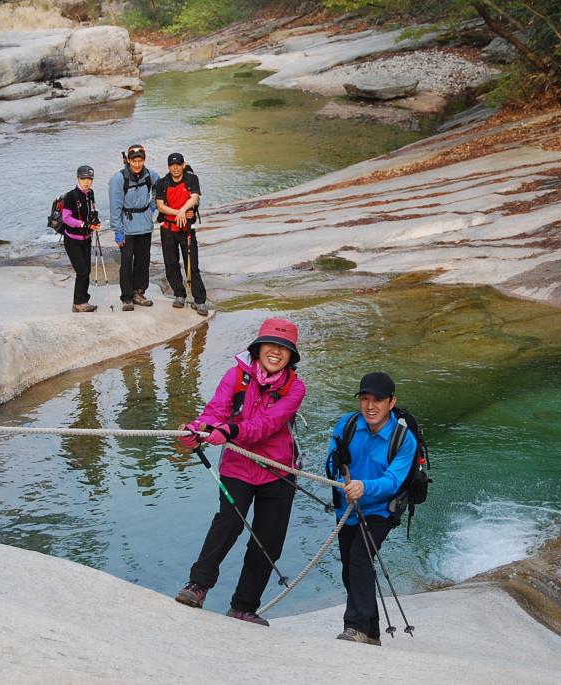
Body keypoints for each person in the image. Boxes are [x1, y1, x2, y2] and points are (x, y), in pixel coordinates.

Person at [175, 318, 306, 625]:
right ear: (258, 348)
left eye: (284, 349)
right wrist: (196, 430)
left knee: (269, 540)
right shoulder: (236, 376)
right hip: (238, 465)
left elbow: (267, 425)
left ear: (291, 356)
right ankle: (198, 586)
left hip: (278, 470)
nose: (276, 352)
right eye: (271, 345)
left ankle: (243, 607)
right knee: (228, 522)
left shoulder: (295, 388)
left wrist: (229, 431)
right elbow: (215, 412)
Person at [325, 371, 417, 646]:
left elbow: (392, 481)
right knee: (350, 569)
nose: (370, 405)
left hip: (381, 509)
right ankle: (372, 633)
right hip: (347, 509)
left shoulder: (405, 440)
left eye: (378, 399)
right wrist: (340, 476)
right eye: (365, 398)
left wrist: (364, 487)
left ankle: (353, 627)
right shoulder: (347, 424)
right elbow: (330, 463)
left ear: (391, 402)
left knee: (360, 558)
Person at [109, 144, 161, 312]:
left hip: (145, 224)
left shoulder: (149, 175)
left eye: (140, 161)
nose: (137, 164)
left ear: (144, 160)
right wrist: (118, 230)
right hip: (127, 225)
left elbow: (160, 188)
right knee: (126, 261)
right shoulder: (118, 179)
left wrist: (153, 206)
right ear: (128, 160)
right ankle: (126, 297)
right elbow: (115, 206)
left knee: (143, 260)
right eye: (134, 161)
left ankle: (139, 292)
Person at [155, 152, 207, 316]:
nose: (175, 168)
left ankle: (199, 300)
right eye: (172, 165)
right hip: (169, 230)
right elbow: (161, 206)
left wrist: (183, 211)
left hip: (187, 230)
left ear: (184, 165)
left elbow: (194, 198)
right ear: (169, 166)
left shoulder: (192, 179)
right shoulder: (162, 183)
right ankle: (179, 294)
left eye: (178, 165)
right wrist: (180, 213)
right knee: (171, 264)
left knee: (192, 264)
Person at [61, 165, 101, 313]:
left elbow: (93, 209)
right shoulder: (71, 196)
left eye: (89, 179)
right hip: (72, 239)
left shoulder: (90, 194)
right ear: (77, 178)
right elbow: (66, 218)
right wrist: (85, 224)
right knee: (82, 270)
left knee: (87, 270)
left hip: (86, 238)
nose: (86, 182)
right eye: (83, 178)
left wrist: (95, 220)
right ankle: (78, 303)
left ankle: (84, 299)